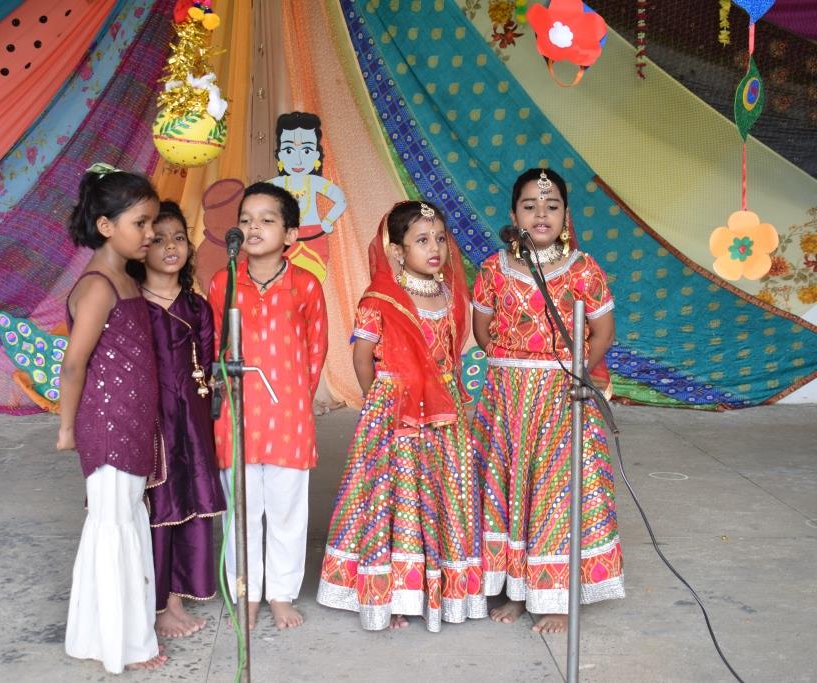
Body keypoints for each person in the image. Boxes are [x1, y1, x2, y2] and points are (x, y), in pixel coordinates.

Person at [316, 200, 487, 631]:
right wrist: (381, 400)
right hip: (395, 411)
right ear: (397, 251)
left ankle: (437, 589)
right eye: (422, 240)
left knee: (444, 491)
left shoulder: (449, 295)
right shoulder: (381, 299)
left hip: (443, 411)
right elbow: (362, 358)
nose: (435, 248)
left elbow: (449, 354)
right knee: (395, 496)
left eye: (440, 239)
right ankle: (392, 594)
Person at [471, 167, 625, 634]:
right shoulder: (493, 269)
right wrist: (513, 365)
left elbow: (603, 332)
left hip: (561, 396)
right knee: (510, 490)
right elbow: (482, 330)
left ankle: (556, 598)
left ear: (566, 214)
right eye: (530, 206)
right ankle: (516, 591)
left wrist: (574, 372)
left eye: (552, 205)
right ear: (513, 213)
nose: (541, 214)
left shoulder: (583, 268)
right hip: (506, 399)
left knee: (554, 492)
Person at [57, 163, 166, 673]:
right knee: (112, 526)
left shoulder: (125, 279)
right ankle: (120, 645)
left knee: (124, 521)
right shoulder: (100, 285)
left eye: (152, 223)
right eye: (140, 223)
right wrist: (66, 428)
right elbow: (74, 363)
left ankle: (99, 635)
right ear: (105, 226)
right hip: (108, 426)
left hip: (130, 422)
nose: (150, 233)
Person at [207, 182, 329, 630]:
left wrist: (295, 399)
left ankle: (280, 594)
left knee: (286, 512)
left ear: (290, 234)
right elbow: (215, 344)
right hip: (235, 415)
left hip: (287, 417)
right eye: (245, 219)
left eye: (267, 219)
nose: (253, 227)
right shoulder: (223, 282)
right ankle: (246, 593)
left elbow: (316, 349)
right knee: (240, 511)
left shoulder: (305, 285)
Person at [127, 200, 226, 638]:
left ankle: (176, 600)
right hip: (152, 423)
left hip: (192, 421)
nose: (171, 247)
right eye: (160, 239)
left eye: (179, 238)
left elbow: (205, 365)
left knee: (191, 503)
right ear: (142, 248)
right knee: (158, 507)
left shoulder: (197, 307)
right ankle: (156, 602)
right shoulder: (130, 305)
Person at [266, 111, 347, 283]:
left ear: (317, 155)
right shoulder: (277, 184)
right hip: (285, 242)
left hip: (314, 240)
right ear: (280, 155)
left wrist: (327, 222)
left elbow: (340, 199)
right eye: (289, 150)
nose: (298, 160)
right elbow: (253, 199)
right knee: (283, 284)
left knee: (311, 284)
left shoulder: (314, 182)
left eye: (307, 150)